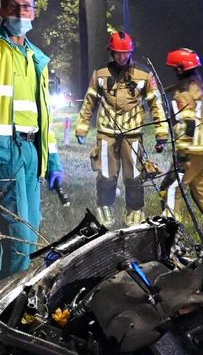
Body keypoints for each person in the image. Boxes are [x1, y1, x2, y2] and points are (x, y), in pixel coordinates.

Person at [0, 0, 64, 282]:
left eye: (28, 6)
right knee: (20, 235)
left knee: (29, 234)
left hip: (30, 154)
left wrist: (54, 162)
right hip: (2, 153)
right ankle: (10, 304)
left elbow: (45, 118)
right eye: (16, 7)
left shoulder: (36, 58)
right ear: (2, 11)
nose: (23, 12)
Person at [73, 31, 171, 227]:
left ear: (131, 52)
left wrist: (161, 134)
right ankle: (105, 207)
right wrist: (81, 128)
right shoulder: (100, 74)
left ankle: (135, 210)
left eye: (125, 53)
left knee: (134, 175)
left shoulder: (144, 75)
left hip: (133, 134)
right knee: (106, 174)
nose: (122, 57)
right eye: (118, 53)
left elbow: (156, 104)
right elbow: (89, 102)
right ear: (111, 52)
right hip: (106, 133)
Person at [166, 48, 203, 237]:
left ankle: (170, 230)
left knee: (172, 187)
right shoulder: (200, 89)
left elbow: (189, 123)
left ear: (181, 69)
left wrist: (183, 152)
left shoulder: (185, 93)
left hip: (191, 149)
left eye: (175, 68)